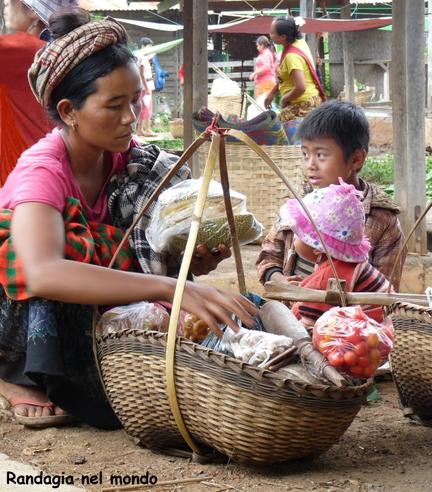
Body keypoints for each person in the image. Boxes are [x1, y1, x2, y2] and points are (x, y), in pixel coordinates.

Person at [0, 9, 256, 430]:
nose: (130, 117)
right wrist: (168, 286)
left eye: (135, 100)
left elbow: (136, 252)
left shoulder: (135, 166)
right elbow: (41, 272)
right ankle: (17, 374)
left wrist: (187, 263)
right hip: (21, 308)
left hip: (93, 302)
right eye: (114, 106)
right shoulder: (42, 170)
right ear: (68, 111)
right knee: (54, 250)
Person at [256, 101, 407, 291]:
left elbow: (384, 294)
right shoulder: (299, 204)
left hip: (345, 318)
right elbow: (268, 257)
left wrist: (326, 295)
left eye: (320, 155)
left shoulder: (382, 219)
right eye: (305, 154)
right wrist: (281, 282)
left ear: (356, 159)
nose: (310, 165)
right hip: (290, 311)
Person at [279, 179, 392, 329]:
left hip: (360, 337)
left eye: (298, 235)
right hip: (377, 330)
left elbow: (307, 328)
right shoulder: (344, 266)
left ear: (317, 248)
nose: (294, 238)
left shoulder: (328, 277)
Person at [0, 0, 75, 184]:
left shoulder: (21, 50)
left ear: (33, 12)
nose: (6, 5)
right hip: (53, 165)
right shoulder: (56, 50)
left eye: (11, 1)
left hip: (24, 170)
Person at [264, 16, 326, 122]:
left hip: (303, 106)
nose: (270, 35)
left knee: (277, 131)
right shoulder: (299, 43)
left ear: (283, 36)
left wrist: (284, 99)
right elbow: (284, 78)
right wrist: (273, 93)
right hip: (309, 101)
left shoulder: (291, 56)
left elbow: (301, 87)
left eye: (272, 33)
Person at [136, 37, 155, 137]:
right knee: (145, 108)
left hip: (146, 84)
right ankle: (145, 130)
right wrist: (146, 87)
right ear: (143, 46)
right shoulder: (142, 57)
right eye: (149, 46)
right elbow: (141, 73)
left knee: (146, 107)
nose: (150, 48)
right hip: (145, 85)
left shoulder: (142, 56)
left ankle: (143, 129)